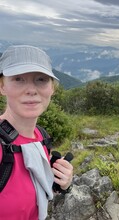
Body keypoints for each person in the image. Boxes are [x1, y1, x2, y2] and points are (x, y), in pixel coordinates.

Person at [0, 45, 73, 220]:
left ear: (52, 88)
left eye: (41, 79)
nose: (31, 90)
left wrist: (61, 183)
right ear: (2, 86)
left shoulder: (41, 137)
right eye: (18, 79)